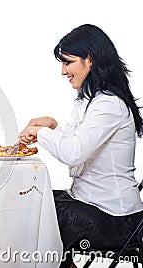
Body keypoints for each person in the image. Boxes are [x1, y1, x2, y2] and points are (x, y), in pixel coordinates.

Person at [18, 24, 143, 267]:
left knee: (42, 216)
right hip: (91, 205)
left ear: (90, 60)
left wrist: (41, 132)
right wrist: (53, 127)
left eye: (68, 62)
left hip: (116, 219)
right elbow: (82, 145)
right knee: (32, 201)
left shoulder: (109, 104)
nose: (63, 71)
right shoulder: (92, 101)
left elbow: (74, 153)